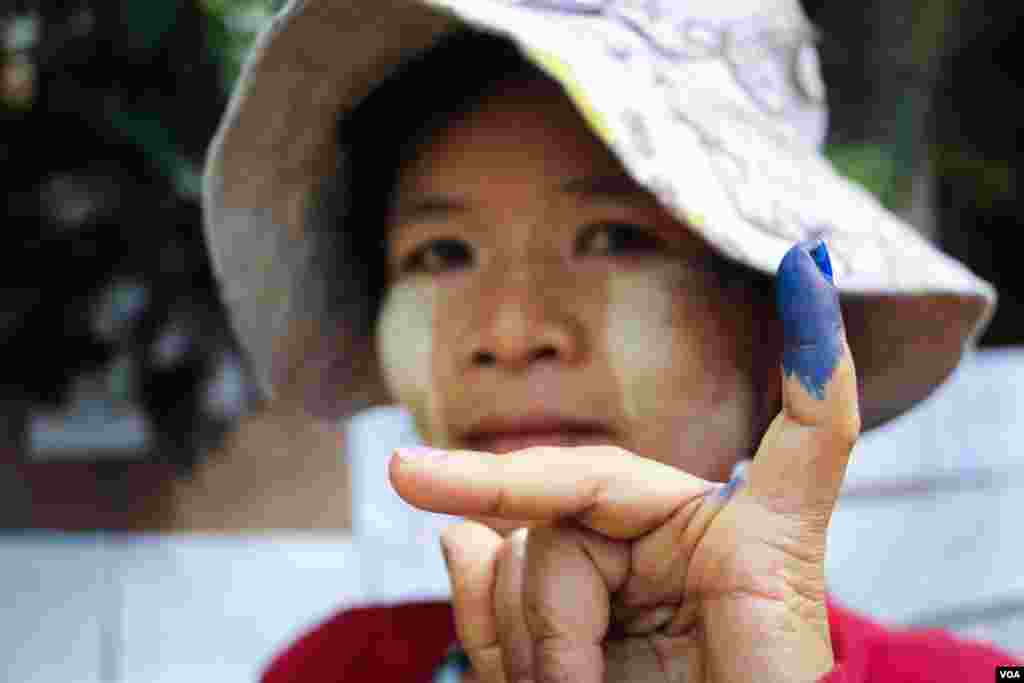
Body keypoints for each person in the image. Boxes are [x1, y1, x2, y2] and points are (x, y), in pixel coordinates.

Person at [201, 1, 1022, 681]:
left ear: (773, 333)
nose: (511, 334)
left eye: (613, 238)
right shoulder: (335, 668)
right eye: (441, 253)